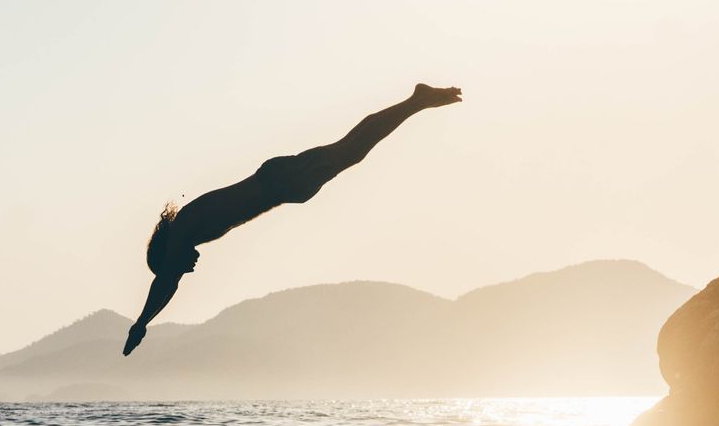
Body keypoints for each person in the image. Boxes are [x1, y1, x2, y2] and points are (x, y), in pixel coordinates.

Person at [122, 83, 463, 354]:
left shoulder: (183, 230)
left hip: (281, 181)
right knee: (352, 149)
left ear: (168, 254)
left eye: (180, 265)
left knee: (352, 149)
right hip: (282, 182)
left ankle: (416, 101)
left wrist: (141, 323)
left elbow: (165, 283)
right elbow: (170, 278)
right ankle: (415, 102)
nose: (188, 268)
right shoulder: (190, 229)